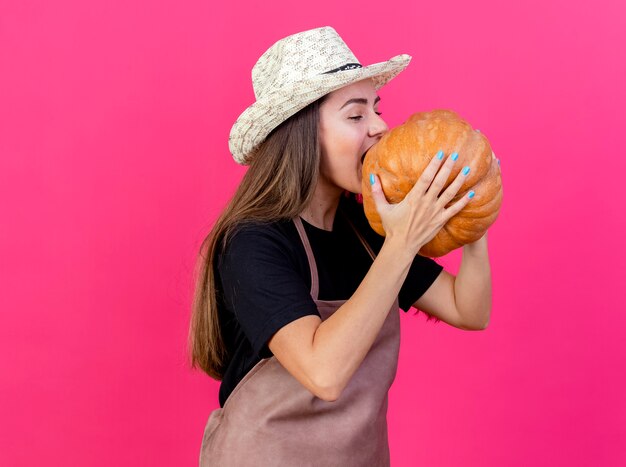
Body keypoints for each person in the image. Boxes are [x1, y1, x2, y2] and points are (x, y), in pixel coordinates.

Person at [189, 26, 492, 466]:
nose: (380, 127)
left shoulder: (367, 231)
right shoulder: (253, 242)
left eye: (376, 109)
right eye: (355, 115)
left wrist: (472, 214)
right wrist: (402, 243)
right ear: (302, 134)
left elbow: (470, 310)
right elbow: (323, 372)